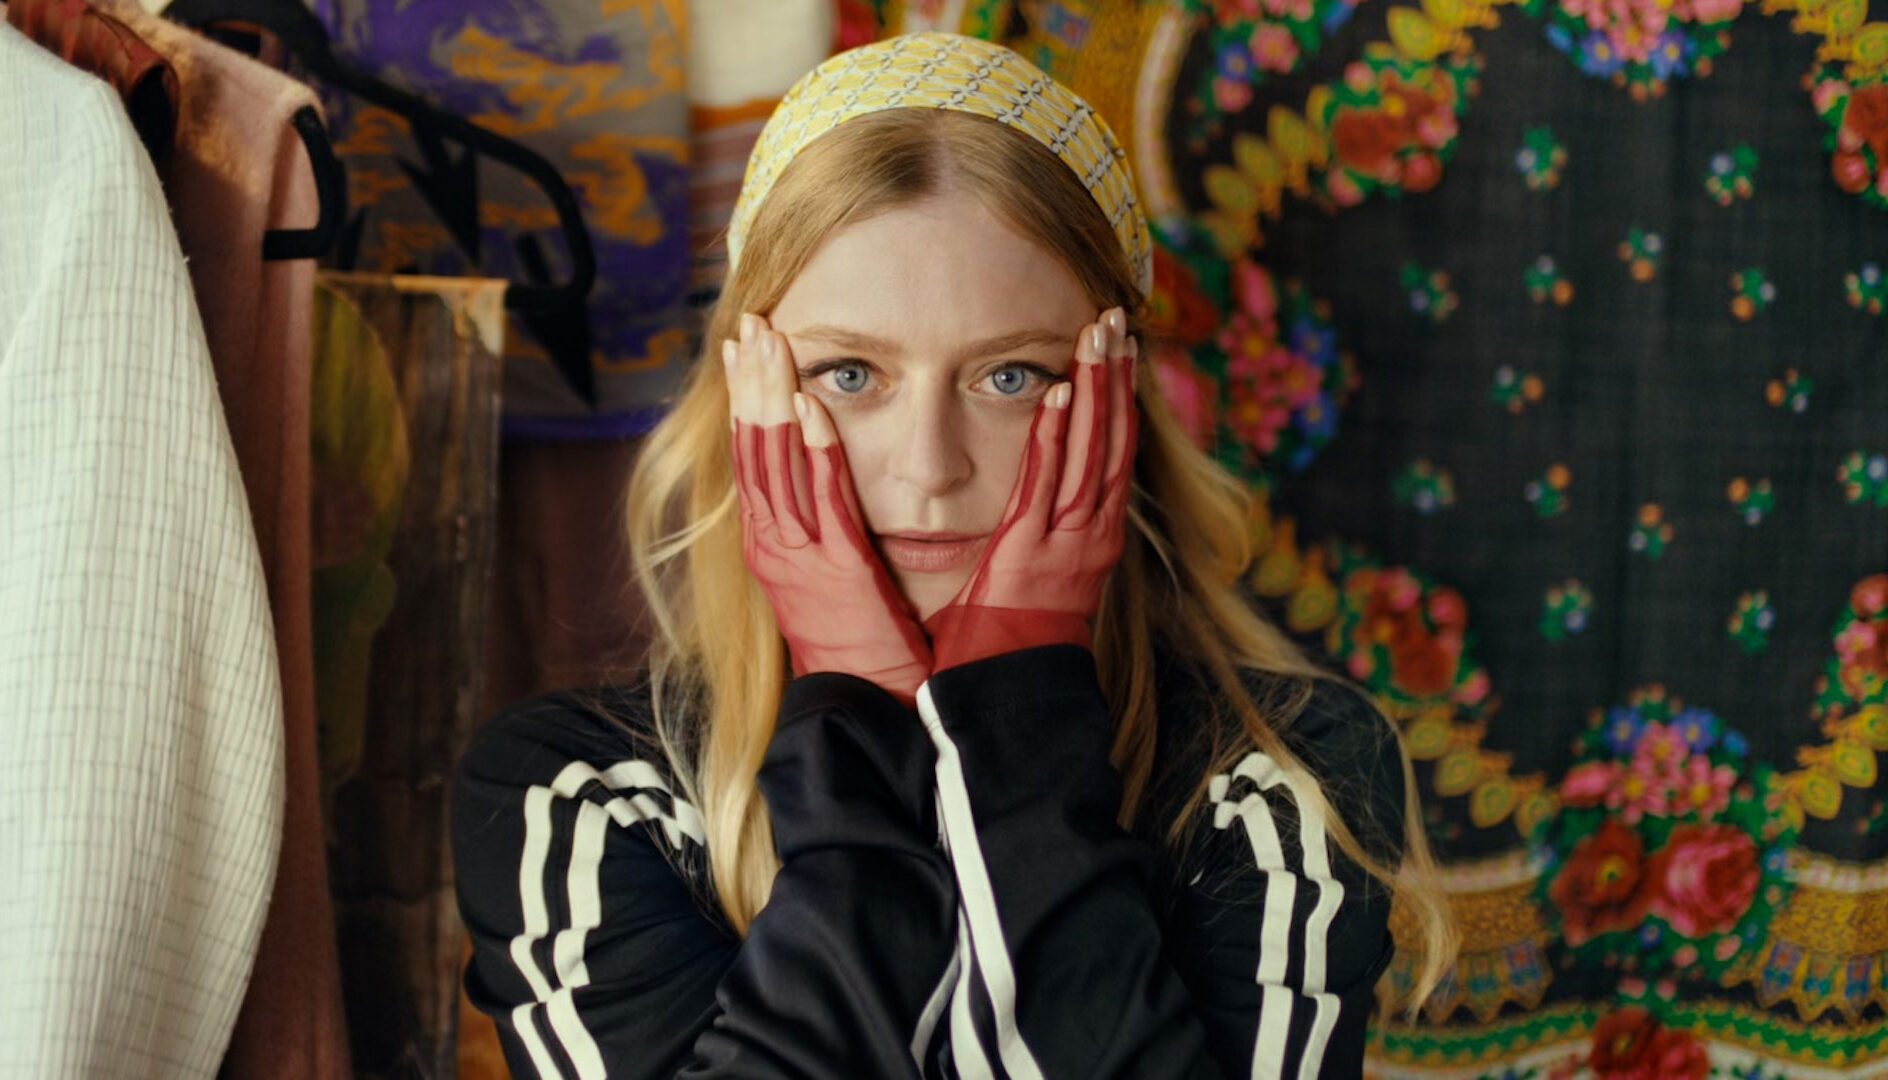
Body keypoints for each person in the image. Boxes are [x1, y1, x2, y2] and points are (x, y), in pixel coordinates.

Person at [452, 31, 1459, 1080]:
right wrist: (862, 714)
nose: (928, 469)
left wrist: (1015, 700)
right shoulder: (576, 795)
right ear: (741, 398)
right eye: (849, 374)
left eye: (1010, 378)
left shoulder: (1276, 780)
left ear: (1119, 408)